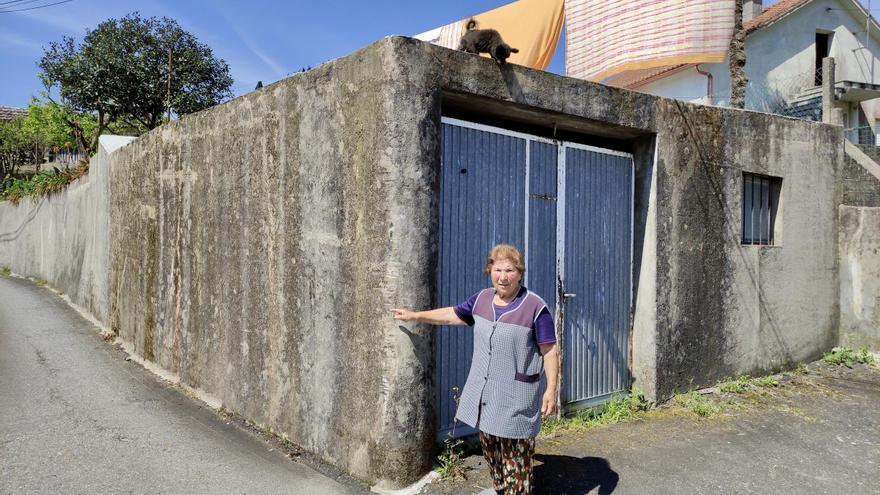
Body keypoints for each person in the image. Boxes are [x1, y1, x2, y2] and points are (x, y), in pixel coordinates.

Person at [391, 244, 558, 495]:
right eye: (498, 269)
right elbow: (451, 315)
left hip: (515, 397)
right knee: (491, 448)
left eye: (510, 270)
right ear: (490, 270)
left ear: (520, 273)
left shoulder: (535, 306)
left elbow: (550, 350)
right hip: (486, 395)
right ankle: (501, 488)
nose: (503, 276)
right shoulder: (481, 300)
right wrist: (415, 315)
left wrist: (551, 389)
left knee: (516, 456)